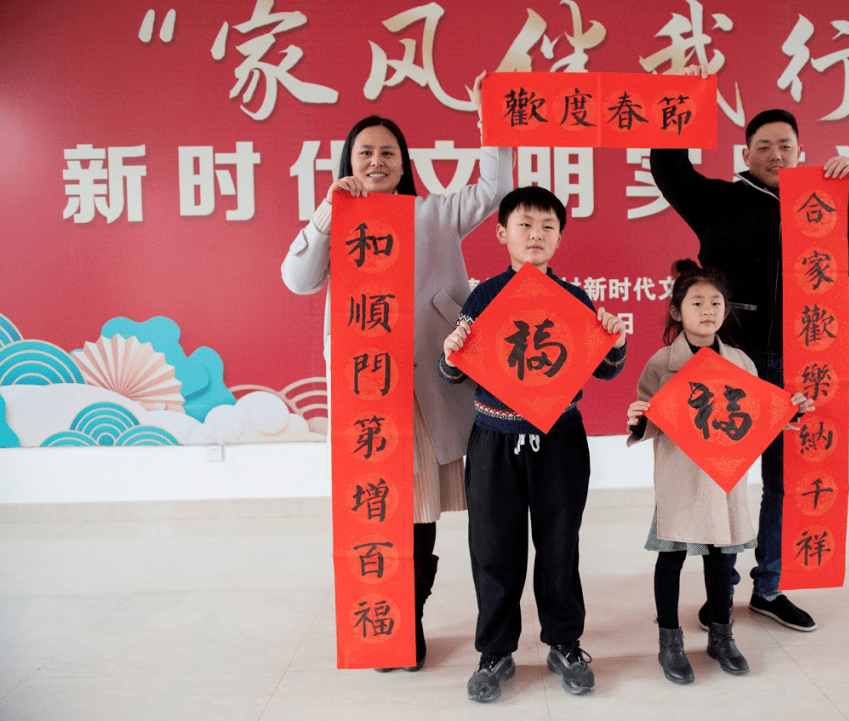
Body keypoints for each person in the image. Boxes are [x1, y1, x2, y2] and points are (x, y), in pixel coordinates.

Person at [281, 71, 514, 671]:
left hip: (428, 384)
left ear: (405, 162)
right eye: (366, 152)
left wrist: (490, 116)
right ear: (348, 161)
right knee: (381, 508)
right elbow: (298, 279)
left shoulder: (433, 213)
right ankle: (389, 620)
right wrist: (328, 213)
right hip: (369, 392)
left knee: (422, 508)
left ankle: (408, 618)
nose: (377, 161)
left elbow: (494, 188)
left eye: (388, 152)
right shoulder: (338, 221)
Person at [651, 72, 849, 633]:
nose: (775, 154)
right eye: (763, 146)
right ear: (746, 154)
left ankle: (770, 587)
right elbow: (669, 170)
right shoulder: (718, 200)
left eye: (785, 145)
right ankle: (720, 591)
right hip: (729, 362)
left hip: (801, 365)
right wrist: (677, 106)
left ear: (800, 151)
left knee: (785, 483)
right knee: (722, 481)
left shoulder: (822, 204)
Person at [439, 186, 628, 703]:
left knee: (560, 546)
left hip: (560, 441)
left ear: (560, 238)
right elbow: (453, 372)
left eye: (548, 226)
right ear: (502, 233)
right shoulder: (483, 297)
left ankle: (564, 644)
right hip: (494, 441)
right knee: (493, 550)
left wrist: (615, 342)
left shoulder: (574, 298)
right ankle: (495, 652)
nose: (536, 235)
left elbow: (606, 369)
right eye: (525, 224)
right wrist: (450, 354)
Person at [627, 260, 814, 684]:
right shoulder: (661, 364)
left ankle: (721, 636)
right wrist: (638, 421)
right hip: (680, 478)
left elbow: (759, 416)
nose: (708, 310)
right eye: (697, 302)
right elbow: (650, 419)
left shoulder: (742, 363)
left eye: (716, 302)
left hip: (723, 478)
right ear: (676, 312)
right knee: (670, 558)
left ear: (726, 310)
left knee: (721, 557)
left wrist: (791, 411)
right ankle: (669, 643)